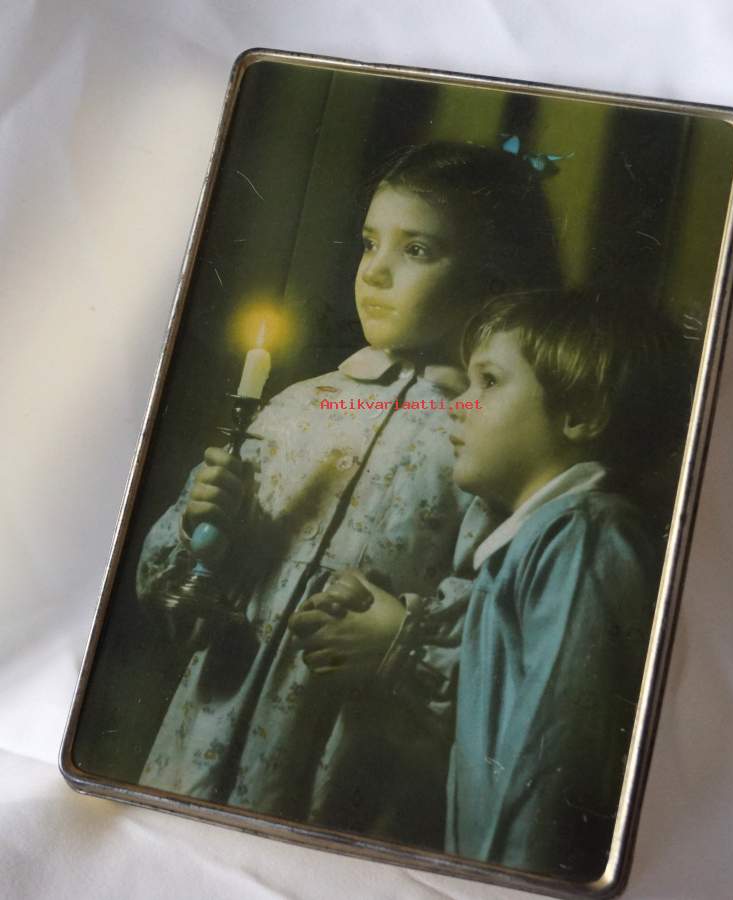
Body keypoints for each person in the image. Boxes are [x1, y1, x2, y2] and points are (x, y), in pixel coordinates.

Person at [136, 141, 561, 848]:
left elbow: (515, 640)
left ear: (494, 274)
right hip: (200, 750)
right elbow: (177, 603)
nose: (375, 271)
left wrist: (405, 642)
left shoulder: (491, 437)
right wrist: (205, 533)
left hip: (352, 775)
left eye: (417, 250)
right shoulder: (298, 408)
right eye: (369, 243)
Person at [439, 289, 690, 879]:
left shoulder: (583, 537)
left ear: (579, 413)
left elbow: (555, 762)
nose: (458, 405)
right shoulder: (534, 543)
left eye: (489, 382)